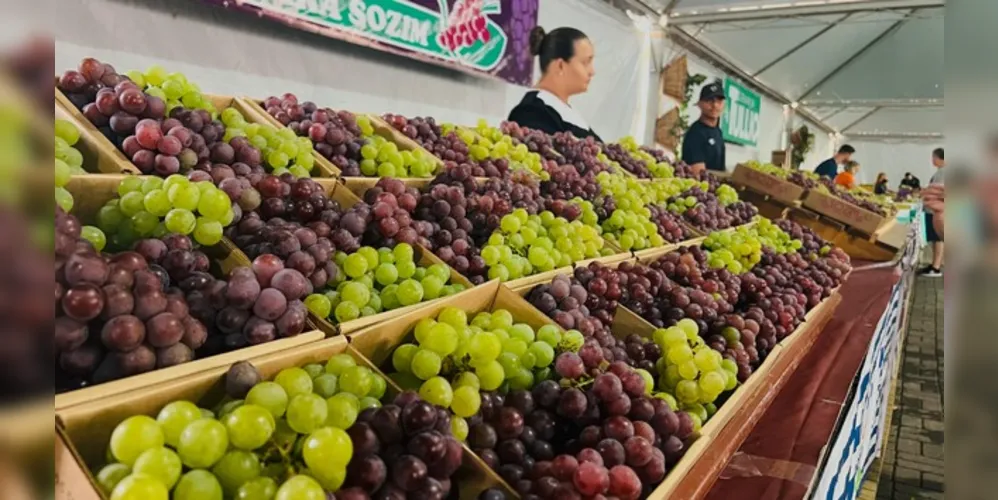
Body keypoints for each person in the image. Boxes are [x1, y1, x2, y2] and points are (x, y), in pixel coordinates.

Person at [508, 27, 600, 141]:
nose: (592, 72)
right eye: (585, 62)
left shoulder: (565, 110)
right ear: (560, 65)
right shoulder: (532, 112)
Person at [681, 79, 726, 177]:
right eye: (709, 101)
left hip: (716, 188)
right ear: (699, 104)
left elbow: (721, 168)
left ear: (724, 105)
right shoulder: (695, 134)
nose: (714, 105)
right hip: (701, 190)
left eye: (719, 101)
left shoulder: (718, 132)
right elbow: (699, 174)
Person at [920, 148, 945, 277]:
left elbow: (939, 192)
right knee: (936, 239)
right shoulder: (941, 172)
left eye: (933, 158)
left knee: (938, 239)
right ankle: (934, 264)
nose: (932, 160)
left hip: (936, 211)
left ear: (937, 158)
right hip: (936, 210)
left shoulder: (942, 173)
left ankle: (936, 267)